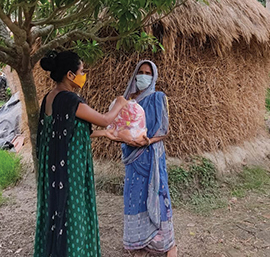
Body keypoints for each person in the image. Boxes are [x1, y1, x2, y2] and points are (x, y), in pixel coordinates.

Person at [34, 50, 127, 257]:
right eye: (82, 71)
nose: (84, 75)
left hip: (53, 168)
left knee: (57, 212)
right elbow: (104, 118)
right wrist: (120, 104)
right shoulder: (70, 100)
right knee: (74, 212)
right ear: (70, 75)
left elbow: (66, 132)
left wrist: (104, 134)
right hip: (70, 168)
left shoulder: (50, 97)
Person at [121, 60, 177, 257]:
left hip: (152, 156)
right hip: (132, 159)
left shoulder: (158, 98)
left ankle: (166, 244)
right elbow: (119, 127)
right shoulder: (127, 99)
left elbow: (164, 130)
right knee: (134, 196)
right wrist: (126, 138)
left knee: (157, 194)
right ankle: (139, 242)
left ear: (154, 77)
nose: (143, 76)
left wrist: (147, 141)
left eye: (148, 73)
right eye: (141, 72)